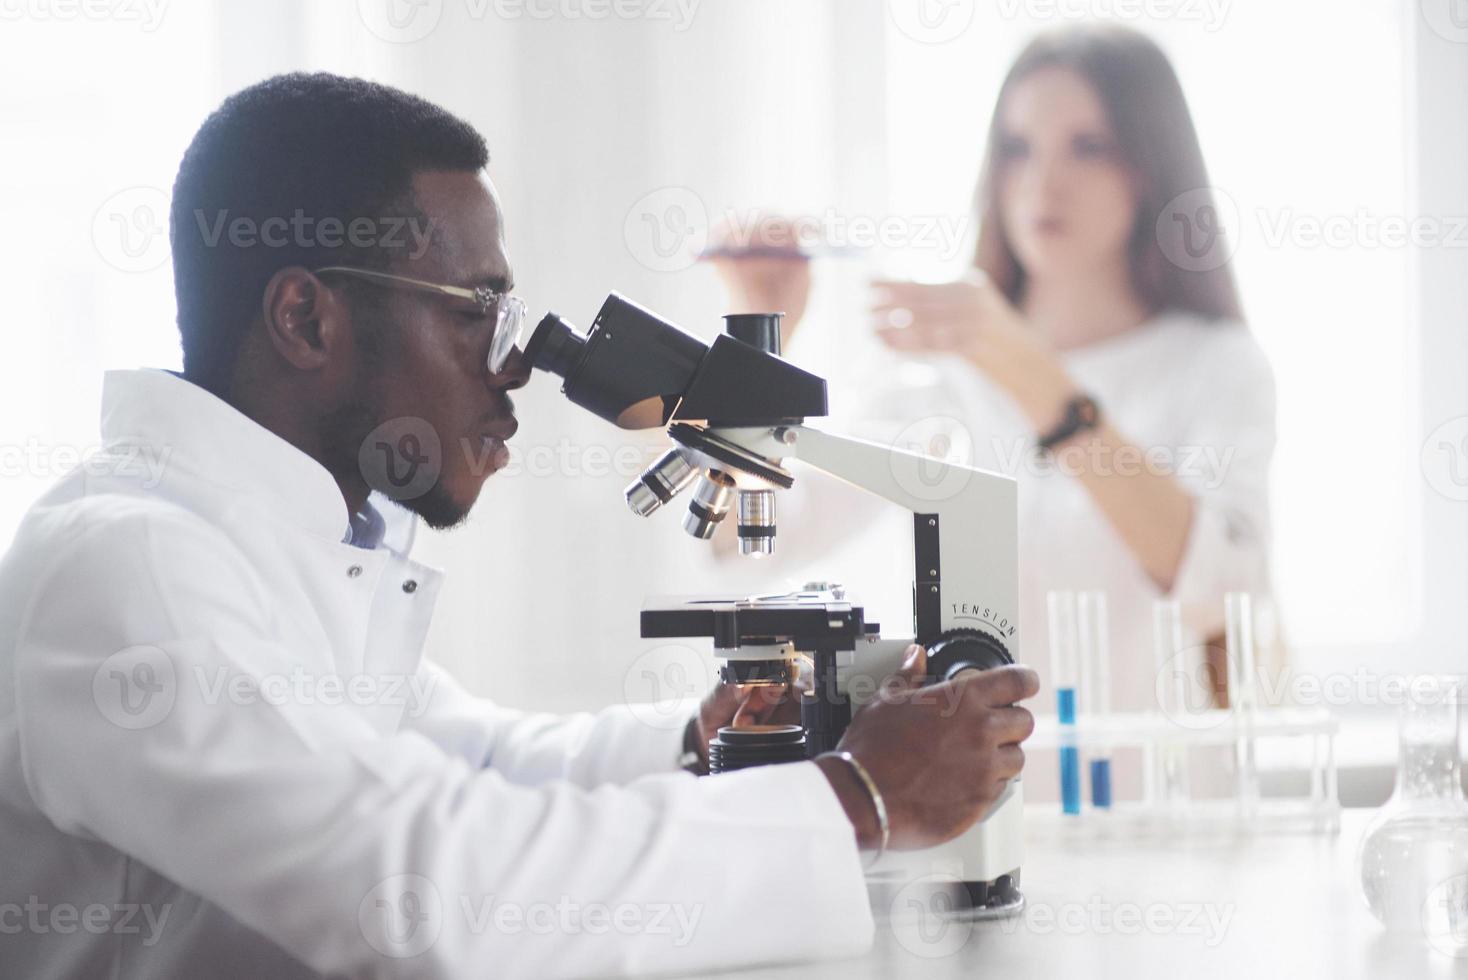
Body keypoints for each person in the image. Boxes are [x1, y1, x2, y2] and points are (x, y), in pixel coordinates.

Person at [0, 73, 1040, 979]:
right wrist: (857, 794)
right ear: (306, 319)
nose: (515, 366)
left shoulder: (298, 541)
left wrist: (699, 741)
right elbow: (422, 884)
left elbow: (477, 766)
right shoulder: (130, 564)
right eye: (477, 311)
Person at [712, 25, 1276, 793]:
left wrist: (1024, 366)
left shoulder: (1214, 366)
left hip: (1161, 819)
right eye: (1019, 146)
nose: (1044, 181)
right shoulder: (940, 372)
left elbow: (1226, 591)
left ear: (1151, 164)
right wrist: (756, 342)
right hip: (973, 822)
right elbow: (758, 541)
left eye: (1088, 146)